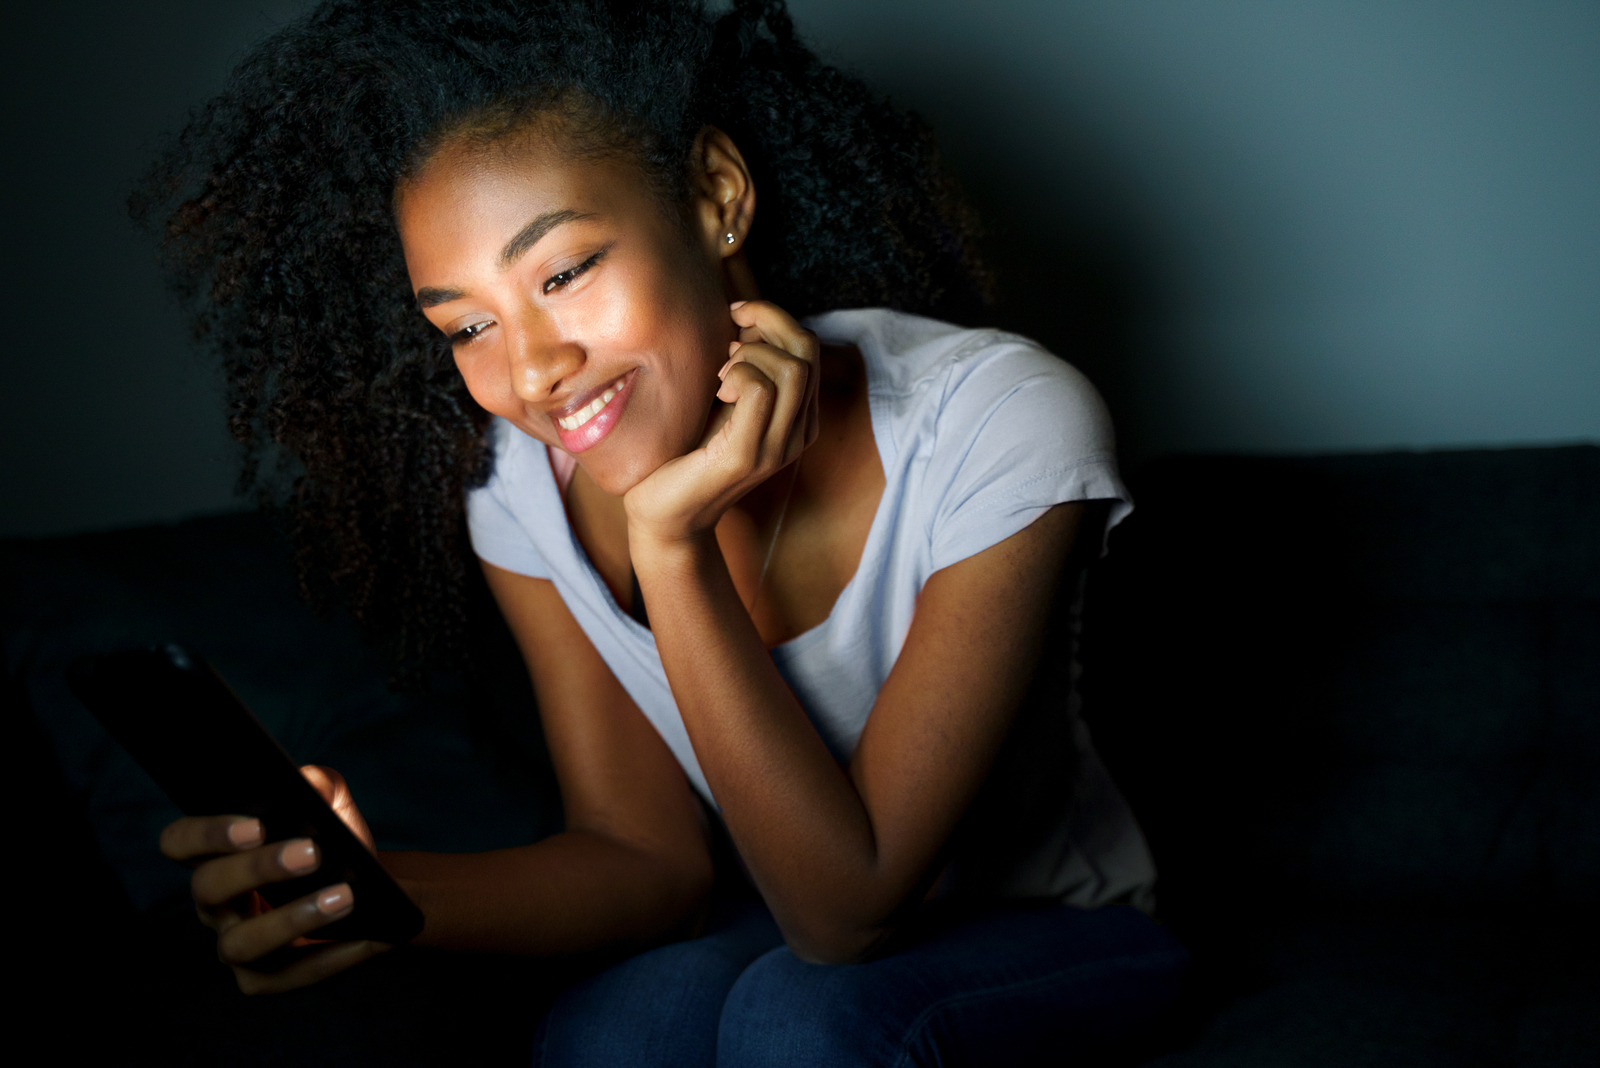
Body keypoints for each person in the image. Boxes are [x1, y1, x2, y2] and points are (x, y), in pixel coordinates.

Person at [143, 0, 1188, 1063]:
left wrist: (671, 545)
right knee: (615, 1024)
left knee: (802, 1016)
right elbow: (648, 861)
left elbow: (847, 912)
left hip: (1059, 930)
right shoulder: (520, 486)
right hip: (769, 919)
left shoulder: (995, 422)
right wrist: (367, 892)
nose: (534, 370)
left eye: (563, 273)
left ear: (714, 196)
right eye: (467, 325)